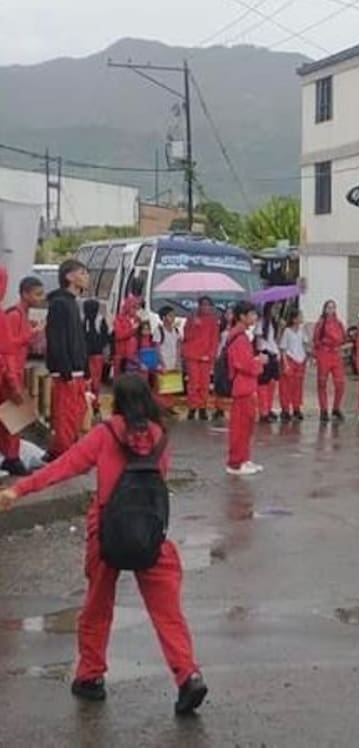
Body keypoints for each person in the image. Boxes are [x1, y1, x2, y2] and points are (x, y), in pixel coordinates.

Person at [0, 374, 208, 715]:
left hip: (107, 530)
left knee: (97, 607)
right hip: (149, 532)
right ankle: (188, 675)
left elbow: (64, 467)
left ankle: (91, 676)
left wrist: (18, 490)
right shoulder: (160, 438)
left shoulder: (105, 434)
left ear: (119, 402)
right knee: (167, 612)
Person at [45, 259, 92, 459]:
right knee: (65, 415)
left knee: (77, 412)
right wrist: (65, 370)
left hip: (77, 369)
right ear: (69, 277)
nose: (86, 277)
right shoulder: (59, 304)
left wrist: (86, 366)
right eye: (82, 272)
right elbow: (57, 339)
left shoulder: (72, 303)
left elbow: (79, 338)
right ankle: (65, 455)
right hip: (67, 371)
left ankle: (62, 450)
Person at [225, 301, 264, 477]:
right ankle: (235, 462)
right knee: (240, 427)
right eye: (252, 314)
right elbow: (243, 364)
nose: (255, 318)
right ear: (242, 316)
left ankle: (244, 458)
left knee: (247, 425)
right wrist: (259, 363)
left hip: (246, 386)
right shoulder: (239, 337)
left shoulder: (242, 336)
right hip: (242, 386)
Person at [0, 266, 32, 476]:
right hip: (6, 377)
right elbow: (6, 351)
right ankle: (11, 458)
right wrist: (13, 382)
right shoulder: (5, 316)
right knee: (14, 418)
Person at [181, 297, 219, 421]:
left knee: (204, 383)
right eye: (203, 305)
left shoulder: (213, 321)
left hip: (206, 357)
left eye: (208, 305)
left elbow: (214, 340)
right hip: (192, 355)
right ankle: (192, 407)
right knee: (194, 383)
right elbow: (186, 336)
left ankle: (202, 407)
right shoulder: (191, 318)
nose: (205, 307)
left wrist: (210, 354)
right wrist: (193, 325)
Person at [313, 300, 347, 424]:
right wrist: (317, 355)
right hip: (324, 354)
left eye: (333, 307)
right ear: (325, 309)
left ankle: (336, 408)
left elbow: (343, 338)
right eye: (329, 307)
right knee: (322, 383)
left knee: (340, 383)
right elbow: (316, 340)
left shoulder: (339, 323)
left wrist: (340, 347)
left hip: (336, 355)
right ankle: (323, 409)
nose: (331, 309)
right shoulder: (321, 323)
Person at [6, 274, 45, 378]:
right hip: (11, 372)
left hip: (18, 370)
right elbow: (9, 346)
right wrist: (33, 332)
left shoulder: (25, 314)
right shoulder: (14, 314)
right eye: (38, 294)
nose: (42, 298)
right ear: (25, 294)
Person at [278, 308, 308, 422]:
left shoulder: (301, 330)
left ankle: (296, 407)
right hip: (290, 360)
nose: (302, 318)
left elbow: (305, 343)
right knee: (286, 386)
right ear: (294, 319)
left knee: (298, 386)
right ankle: (285, 409)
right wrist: (285, 364)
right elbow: (283, 349)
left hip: (300, 360)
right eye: (300, 316)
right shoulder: (287, 331)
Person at [82, 299, 109, 421]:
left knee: (93, 382)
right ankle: (91, 405)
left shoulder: (95, 320)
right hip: (91, 355)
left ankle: (93, 404)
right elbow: (105, 337)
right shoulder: (90, 320)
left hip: (93, 355)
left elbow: (104, 336)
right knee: (91, 381)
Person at [255, 303, 282, 424]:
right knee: (263, 384)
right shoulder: (261, 322)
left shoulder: (274, 323)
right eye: (275, 308)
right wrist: (261, 352)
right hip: (265, 353)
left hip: (274, 354)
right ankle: (263, 411)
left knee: (272, 383)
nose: (277, 310)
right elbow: (259, 339)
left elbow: (275, 340)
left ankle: (269, 408)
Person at [112, 295, 142, 375]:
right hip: (121, 354)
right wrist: (132, 330)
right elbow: (119, 335)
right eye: (133, 307)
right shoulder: (119, 319)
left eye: (136, 308)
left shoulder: (138, 319)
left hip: (133, 355)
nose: (135, 310)